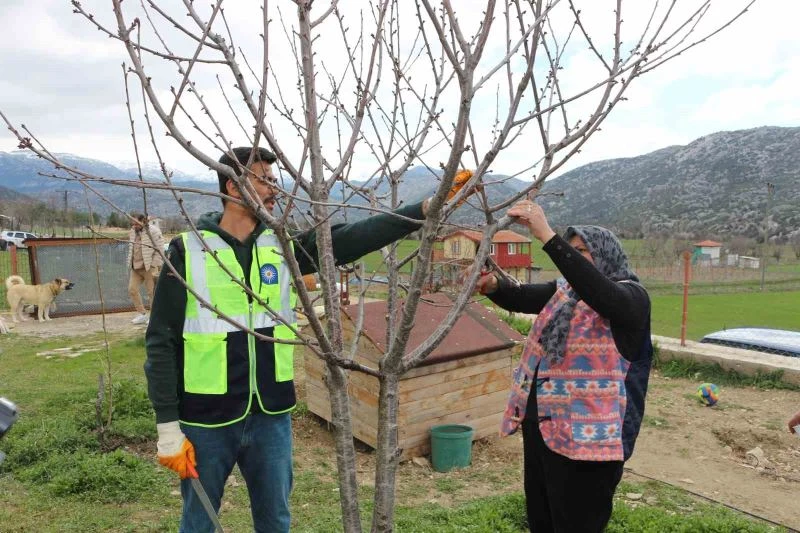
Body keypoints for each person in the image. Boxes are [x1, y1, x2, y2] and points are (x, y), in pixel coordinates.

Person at [144, 146, 477, 532]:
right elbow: (161, 342)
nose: (274, 190)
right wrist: (167, 426)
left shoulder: (281, 246)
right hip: (206, 421)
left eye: (274, 180)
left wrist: (424, 209)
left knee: (275, 522)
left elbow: (354, 237)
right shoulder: (188, 252)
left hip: (271, 416)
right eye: (264, 181)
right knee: (199, 523)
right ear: (234, 188)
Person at [476, 199, 653, 533]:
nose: (574, 257)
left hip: (591, 446)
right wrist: (494, 287)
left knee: (577, 524)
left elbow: (601, 294)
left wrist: (546, 235)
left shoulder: (632, 299)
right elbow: (521, 296)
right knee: (543, 518)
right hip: (545, 428)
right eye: (572, 250)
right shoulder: (566, 294)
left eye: (583, 251)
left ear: (606, 255)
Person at [127, 213, 165, 325]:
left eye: (136, 223)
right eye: (132, 224)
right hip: (136, 267)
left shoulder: (154, 231)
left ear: (143, 221)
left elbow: (160, 249)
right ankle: (142, 314)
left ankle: (154, 317)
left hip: (149, 267)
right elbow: (131, 248)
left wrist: (154, 265)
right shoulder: (132, 231)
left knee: (151, 293)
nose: (134, 226)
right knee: (132, 289)